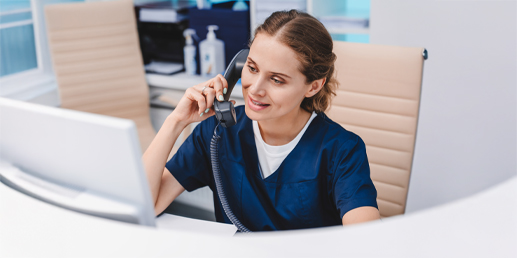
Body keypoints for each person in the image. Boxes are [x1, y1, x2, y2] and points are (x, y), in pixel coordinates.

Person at [143, 10, 380, 231]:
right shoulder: (216, 133)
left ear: (314, 86)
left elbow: (366, 243)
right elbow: (146, 204)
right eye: (252, 68)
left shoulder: (342, 150)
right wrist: (176, 121)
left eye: (276, 80)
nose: (255, 89)